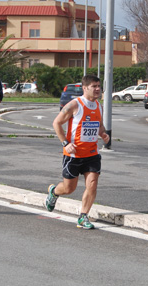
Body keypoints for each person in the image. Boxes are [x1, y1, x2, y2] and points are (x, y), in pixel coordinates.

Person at [45, 74, 110, 230]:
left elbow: (98, 125)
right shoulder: (75, 105)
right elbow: (56, 123)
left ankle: (83, 216)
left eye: (99, 86)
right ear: (85, 88)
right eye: (94, 86)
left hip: (92, 154)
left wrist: (103, 134)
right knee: (69, 189)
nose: (98, 89)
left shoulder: (99, 106)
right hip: (73, 155)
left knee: (92, 184)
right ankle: (54, 192)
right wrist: (65, 143)